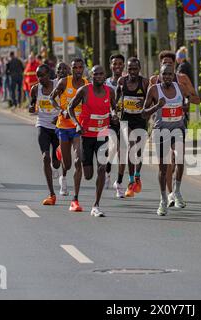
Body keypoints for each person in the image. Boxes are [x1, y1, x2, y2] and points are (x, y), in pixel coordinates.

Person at [150, 51, 201, 207]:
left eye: (171, 63)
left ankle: (175, 191)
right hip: (161, 125)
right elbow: (146, 103)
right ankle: (169, 194)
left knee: (178, 158)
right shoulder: (154, 81)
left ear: (175, 65)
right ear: (160, 66)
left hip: (179, 123)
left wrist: (185, 103)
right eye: (165, 63)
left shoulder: (182, 80)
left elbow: (196, 99)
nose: (168, 66)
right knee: (166, 163)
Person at [68, 65, 118, 217]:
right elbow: (71, 108)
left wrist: (114, 115)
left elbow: (113, 108)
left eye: (101, 74)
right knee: (88, 174)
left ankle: (96, 205)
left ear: (105, 76)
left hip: (102, 135)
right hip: (86, 135)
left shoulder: (110, 91)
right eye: (95, 74)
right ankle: (75, 198)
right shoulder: (84, 91)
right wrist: (77, 124)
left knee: (102, 168)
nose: (98, 76)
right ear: (91, 76)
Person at [142, 64, 189, 216]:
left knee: (180, 158)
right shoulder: (154, 90)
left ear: (173, 75)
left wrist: (185, 107)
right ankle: (163, 199)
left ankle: (177, 192)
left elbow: (187, 103)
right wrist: (157, 106)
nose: (167, 77)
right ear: (160, 75)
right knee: (163, 168)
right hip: (161, 131)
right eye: (164, 74)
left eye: (170, 74)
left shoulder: (180, 88)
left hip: (178, 129)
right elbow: (143, 113)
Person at [50, 58, 89, 212]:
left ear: (83, 69)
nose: (78, 70)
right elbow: (52, 98)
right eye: (75, 68)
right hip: (64, 127)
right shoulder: (64, 82)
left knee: (78, 161)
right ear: (71, 69)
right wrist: (61, 110)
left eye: (80, 67)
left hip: (79, 127)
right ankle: (60, 151)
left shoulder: (87, 84)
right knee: (67, 165)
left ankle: (75, 199)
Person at [115, 57, 149, 198]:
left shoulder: (145, 83)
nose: (132, 72)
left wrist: (146, 109)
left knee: (139, 150)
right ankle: (130, 182)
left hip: (140, 120)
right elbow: (116, 100)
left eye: (135, 69)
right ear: (126, 69)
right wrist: (115, 112)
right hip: (126, 119)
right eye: (130, 69)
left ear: (139, 69)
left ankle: (137, 176)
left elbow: (150, 100)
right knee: (131, 146)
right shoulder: (122, 81)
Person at [28, 64, 60, 205]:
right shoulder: (35, 89)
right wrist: (31, 107)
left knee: (56, 162)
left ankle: (56, 166)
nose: (40, 78)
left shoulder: (58, 85)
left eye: (43, 75)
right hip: (43, 125)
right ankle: (51, 194)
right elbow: (32, 105)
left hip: (58, 127)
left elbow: (66, 103)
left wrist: (59, 116)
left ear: (49, 74)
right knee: (45, 157)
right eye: (38, 76)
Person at [105, 54, 125, 192]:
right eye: (114, 64)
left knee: (122, 150)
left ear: (123, 66)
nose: (117, 66)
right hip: (109, 120)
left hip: (124, 120)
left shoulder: (127, 82)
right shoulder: (105, 83)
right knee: (113, 148)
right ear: (110, 66)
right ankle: (107, 173)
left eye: (119, 64)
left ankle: (119, 182)